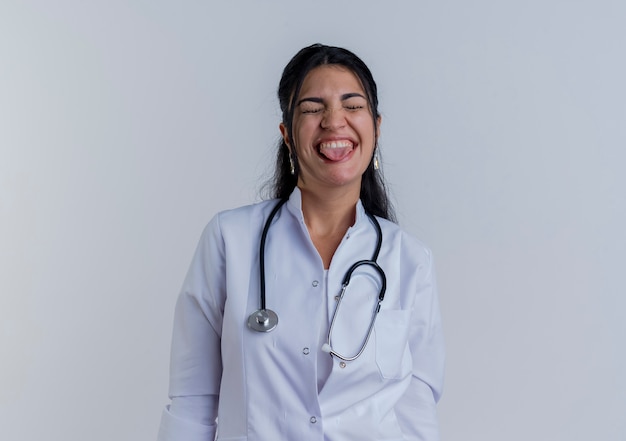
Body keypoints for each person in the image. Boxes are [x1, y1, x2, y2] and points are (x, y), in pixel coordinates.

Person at [157, 43, 445, 441]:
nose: (334, 121)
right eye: (312, 108)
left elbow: (417, 413)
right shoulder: (230, 241)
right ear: (287, 135)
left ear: (376, 127)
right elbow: (192, 401)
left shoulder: (409, 259)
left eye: (352, 105)